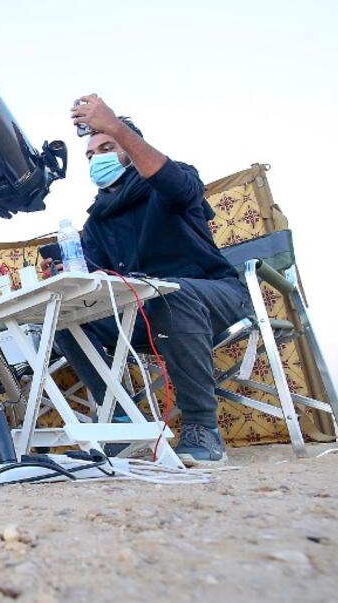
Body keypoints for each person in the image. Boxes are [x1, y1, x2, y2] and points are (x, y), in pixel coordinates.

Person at [52, 94, 251, 466]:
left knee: (169, 294)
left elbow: (174, 184)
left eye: (108, 146)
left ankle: (202, 428)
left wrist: (116, 126)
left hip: (214, 296)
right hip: (143, 312)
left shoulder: (170, 182)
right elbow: (97, 283)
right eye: (91, 154)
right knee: (62, 321)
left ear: (128, 147)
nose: (97, 159)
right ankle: (122, 422)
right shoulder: (96, 223)